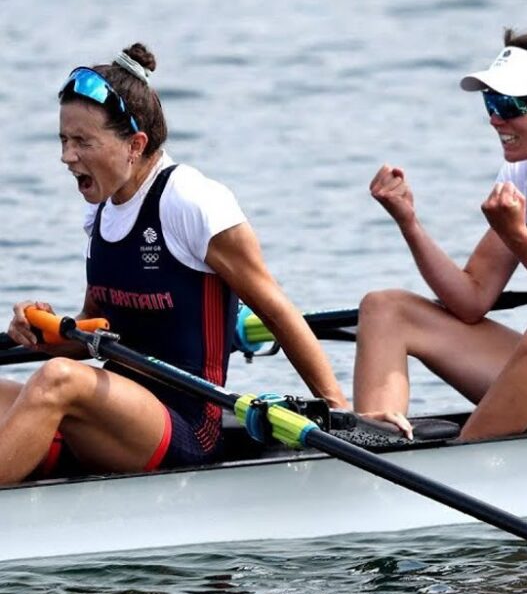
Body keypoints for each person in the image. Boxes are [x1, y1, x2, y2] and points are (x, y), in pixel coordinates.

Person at [1, 42, 349, 485]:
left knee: (57, 381)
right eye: (64, 140)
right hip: (122, 414)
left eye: (83, 142)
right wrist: (41, 332)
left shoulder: (192, 202)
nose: (66, 156)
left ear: (135, 144)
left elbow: (276, 310)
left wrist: (336, 409)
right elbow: (96, 324)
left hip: (188, 425)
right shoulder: (101, 208)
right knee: (38, 380)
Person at [354, 28, 527, 442]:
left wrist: (518, 237)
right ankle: (375, 445)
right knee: (386, 309)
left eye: (508, 103)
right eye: (490, 101)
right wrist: (408, 222)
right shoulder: (519, 173)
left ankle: (461, 467)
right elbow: (471, 300)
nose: (494, 117)